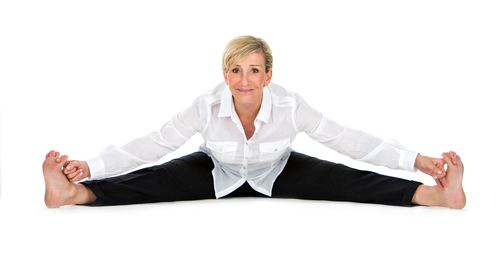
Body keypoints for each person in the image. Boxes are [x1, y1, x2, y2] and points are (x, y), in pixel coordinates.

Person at [42, 35, 466, 209]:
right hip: (216, 170)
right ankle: (73, 193)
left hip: (278, 169)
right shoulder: (204, 106)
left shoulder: (290, 106)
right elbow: (153, 144)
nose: (244, 80)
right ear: (225, 74)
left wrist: (416, 159)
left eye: (254, 70)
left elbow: (349, 140)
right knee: (155, 179)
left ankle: (434, 197)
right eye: (235, 70)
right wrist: (92, 166)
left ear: (268, 75)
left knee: (345, 179)